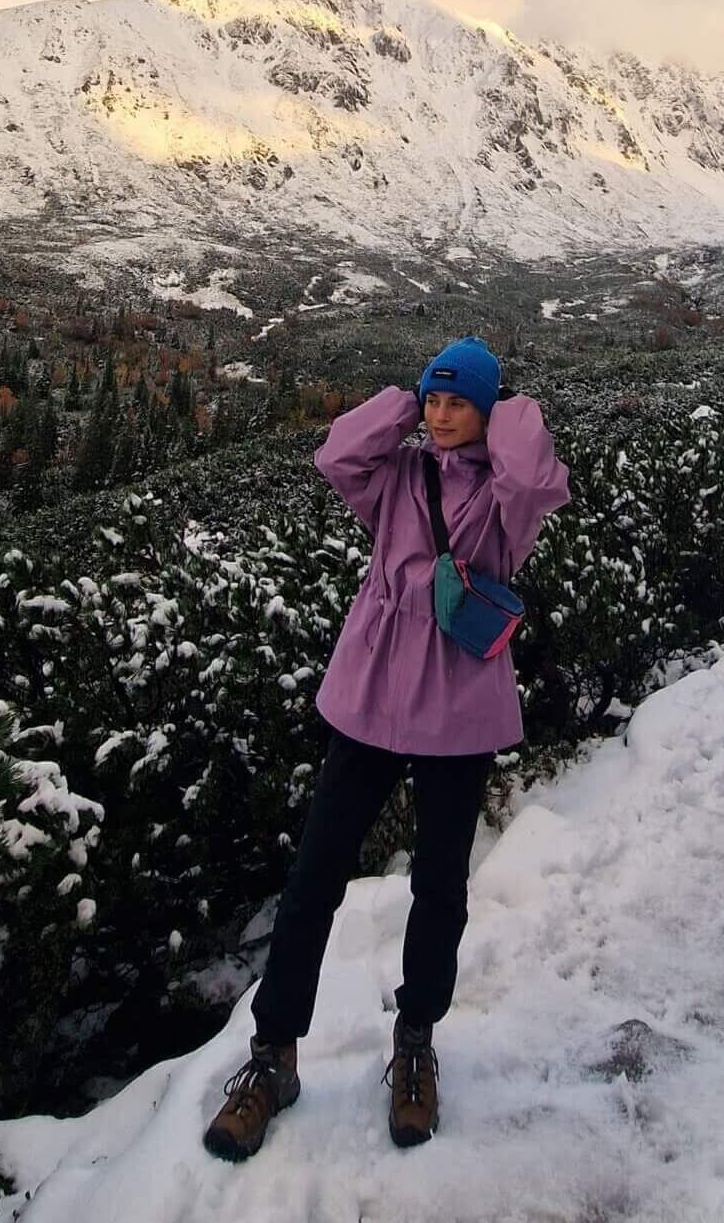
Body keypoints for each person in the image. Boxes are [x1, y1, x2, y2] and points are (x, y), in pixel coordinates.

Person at [202, 336, 570, 1161]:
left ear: (486, 411)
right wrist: (404, 399)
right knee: (312, 880)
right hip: (371, 695)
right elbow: (337, 454)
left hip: (458, 706)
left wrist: (507, 408)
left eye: (457, 403)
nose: (440, 417)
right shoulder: (398, 478)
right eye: (432, 401)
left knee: (439, 887)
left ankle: (415, 1045)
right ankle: (273, 1054)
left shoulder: (507, 501)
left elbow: (542, 478)